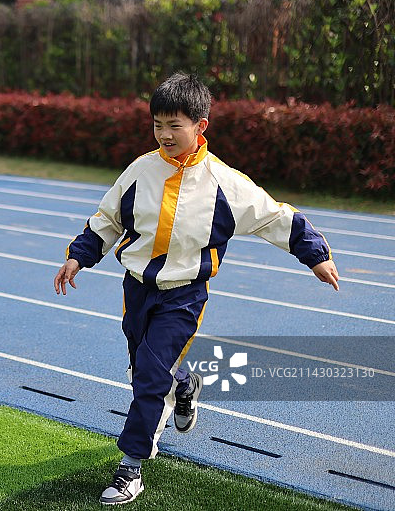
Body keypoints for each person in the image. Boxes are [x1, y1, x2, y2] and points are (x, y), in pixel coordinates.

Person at [53, 72, 339, 505]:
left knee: (149, 376)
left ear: (200, 126)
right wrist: (79, 255)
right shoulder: (140, 170)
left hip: (184, 296)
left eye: (175, 125)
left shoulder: (225, 183)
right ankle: (184, 384)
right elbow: (107, 219)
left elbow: (275, 217)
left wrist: (315, 254)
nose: (164, 135)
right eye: (157, 125)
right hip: (138, 290)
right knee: (144, 369)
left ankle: (131, 467)